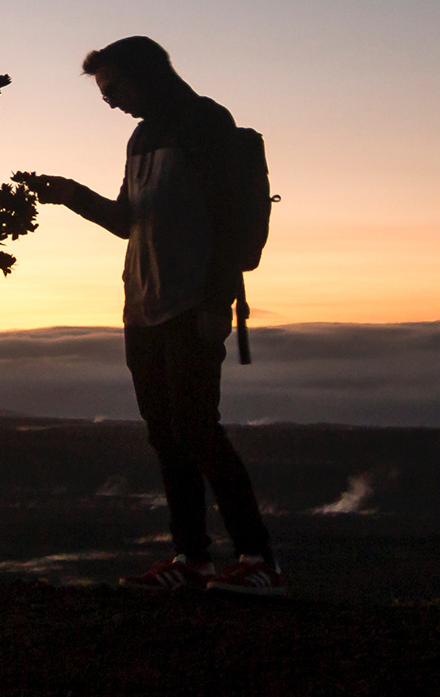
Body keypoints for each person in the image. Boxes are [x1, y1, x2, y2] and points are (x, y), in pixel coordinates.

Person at [25, 35, 284, 597]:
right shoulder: (141, 137)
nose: (110, 100)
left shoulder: (206, 123)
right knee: (167, 436)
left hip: (191, 304)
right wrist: (71, 194)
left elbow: (231, 222)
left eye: (113, 87)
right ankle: (192, 558)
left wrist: (218, 304)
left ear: (146, 74)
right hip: (142, 307)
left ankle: (258, 558)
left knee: (198, 429)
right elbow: (127, 221)